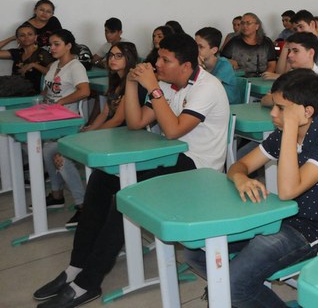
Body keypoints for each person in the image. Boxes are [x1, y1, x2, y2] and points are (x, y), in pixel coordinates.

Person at [33, 33, 229, 308]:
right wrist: (132, 83)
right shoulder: (167, 83)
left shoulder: (207, 87)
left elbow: (173, 131)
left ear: (186, 66)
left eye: (165, 60)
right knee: (102, 177)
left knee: (125, 197)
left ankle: (88, 282)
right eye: (158, 58)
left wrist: (154, 88)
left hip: (198, 167)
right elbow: (136, 123)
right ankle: (76, 266)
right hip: (169, 156)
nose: (157, 64)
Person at [187, 68, 318, 307]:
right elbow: (240, 165)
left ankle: (235, 288)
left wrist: (290, 128)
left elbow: (287, 191)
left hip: (312, 231)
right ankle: (238, 285)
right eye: (274, 105)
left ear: (306, 112)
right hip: (276, 218)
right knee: (196, 251)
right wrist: (240, 178)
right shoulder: (283, 134)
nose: (273, 113)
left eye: (281, 108)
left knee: (233, 286)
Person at [61, 42, 144, 228]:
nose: (112, 59)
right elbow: (104, 113)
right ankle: (87, 206)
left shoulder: (132, 83)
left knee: (71, 157)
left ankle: (89, 208)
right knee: (58, 151)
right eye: (111, 55)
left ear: (129, 58)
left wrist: (89, 136)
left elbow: (117, 120)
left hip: (125, 135)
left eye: (118, 56)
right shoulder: (115, 82)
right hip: (111, 133)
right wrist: (89, 130)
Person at [38, 30, 90, 213]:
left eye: (56, 44)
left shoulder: (76, 67)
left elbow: (84, 91)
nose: (52, 48)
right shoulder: (54, 65)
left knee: (61, 158)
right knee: (46, 150)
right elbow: (48, 90)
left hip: (69, 123)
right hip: (53, 120)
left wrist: (61, 102)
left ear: (68, 46)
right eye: (50, 45)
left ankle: (82, 204)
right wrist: (41, 101)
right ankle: (57, 194)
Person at [263, 32, 318, 120]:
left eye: (295, 51)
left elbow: (313, 115)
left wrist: (277, 99)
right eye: (289, 51)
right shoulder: (291, 75)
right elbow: (265, 100)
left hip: (315, 125)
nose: (289, 55)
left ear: (310, 53)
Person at [282, 10, 318, 88]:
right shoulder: (299, 46)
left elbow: (316, 76)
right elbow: (282, 71)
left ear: (312, 24)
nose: (298, 32)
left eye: (301, 27)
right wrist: (285, 47)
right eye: (295, 29)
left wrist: (281, 77)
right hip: (303, 85)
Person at [0, 23, 53, 96]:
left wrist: (34, 65)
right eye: (22, 35)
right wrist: (11, 39)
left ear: (35, 37)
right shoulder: (17, 53)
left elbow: (53, 73)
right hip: (12, 86)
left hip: (30, 89)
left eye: (30, 34)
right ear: (18, 39)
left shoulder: (42, 53)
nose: (26, 37)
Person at [220, 12, 277, 77]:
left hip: (262, 78)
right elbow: (222, 60)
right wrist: (230, 62)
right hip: (239, 78)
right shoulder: (234, 42)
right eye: (242, 23)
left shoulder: (266, 42)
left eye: (248, 23)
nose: (245, 26)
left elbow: (272, 64)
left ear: (257, 26)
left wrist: (265, 77)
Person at [196, 27, 239, 104]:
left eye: (201, 47)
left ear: (214, 50)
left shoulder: (224, 65)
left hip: (229, 107)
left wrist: (200, 68)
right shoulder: (195, 64)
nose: (195, 50)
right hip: (209, 104)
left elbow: (210, 88)